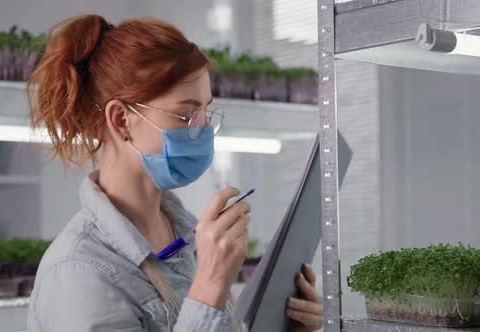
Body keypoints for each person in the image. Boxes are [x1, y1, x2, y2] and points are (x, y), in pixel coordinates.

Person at [26, 14, 323, 332]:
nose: (204, 130)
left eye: (205, 112)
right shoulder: (78, 273)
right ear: (122, 121)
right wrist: (209, 286)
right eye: (185, 115)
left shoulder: (186, 235)